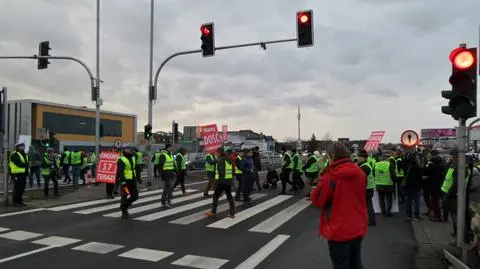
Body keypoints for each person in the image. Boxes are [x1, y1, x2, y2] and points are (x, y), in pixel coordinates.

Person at [311, 142, 367, 269]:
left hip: (338, 229)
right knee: (356, 262)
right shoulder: (359, 172)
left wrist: (318, 184)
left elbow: (318, 201)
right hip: (358, 224)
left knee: (341, 264)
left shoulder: (331, 175)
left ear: (332, 156)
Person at [205, 147, 235, 218]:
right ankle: (232, 213)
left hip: (221, 182)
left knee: (215, 197)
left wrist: (216, 183)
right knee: (229, 197)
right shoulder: (228, 159)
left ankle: (213, 212)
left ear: (219, 153)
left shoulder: (220, 160)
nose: (215, 153)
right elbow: (232, 171)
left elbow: (221, 172)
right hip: (228, 181)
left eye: (216, 152)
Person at [422, 149, 446, 221]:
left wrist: (427, 177)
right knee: (440, 201)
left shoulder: (433, 166)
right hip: (440, 185)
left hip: (434, 186)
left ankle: (438, 216)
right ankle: (443, 215)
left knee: (435, 201)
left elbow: (433, 175)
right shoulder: (442, 164)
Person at [117, 145, 139, 218]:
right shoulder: (121, 159)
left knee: (135, 196)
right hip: (125, 181)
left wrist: (138, 178)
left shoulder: (133, 157)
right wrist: (123, 181)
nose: (133, 151)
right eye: (131, 150)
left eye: (133, 150)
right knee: (125, 195)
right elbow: (120, 171)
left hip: (133, 180)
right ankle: (124, 211)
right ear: (126, 150)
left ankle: (124, 205)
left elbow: (135, 168)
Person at [358, 149, 376, 226]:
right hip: (369, 188)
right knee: (368, 205)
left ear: (364, 158)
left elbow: (362, 180)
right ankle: (370, 219)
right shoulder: (364, 165)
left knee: (368, 206)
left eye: (360, 157)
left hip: (366, 189)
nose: (358, 158)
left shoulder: (364, 167)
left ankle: (371, 220)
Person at [9, 142, 29, 206]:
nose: (23, 147)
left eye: (24, 146)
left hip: (23, 173)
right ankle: (15, 202)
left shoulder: (25, 154)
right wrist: (26, 165)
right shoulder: (15, 154)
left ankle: (20, 201)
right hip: (17, 173)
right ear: (18, 147)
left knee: (22, 188)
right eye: (22, 146)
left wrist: (27, 166)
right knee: (17, 188)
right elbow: (18, 163)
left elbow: (27, 162)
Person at [158, 143, 175, 207]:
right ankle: (168, 202)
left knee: (166, 188)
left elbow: (172, 164)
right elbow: (160, 166)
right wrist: (161, 174)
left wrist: (174, 172)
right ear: (167, 148)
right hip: (165, 174)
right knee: (170, 188)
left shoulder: (170, 155)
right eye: (171, 147)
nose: (172, 148)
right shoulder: (163, 155)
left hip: (170, 173)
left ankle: (163, 202)